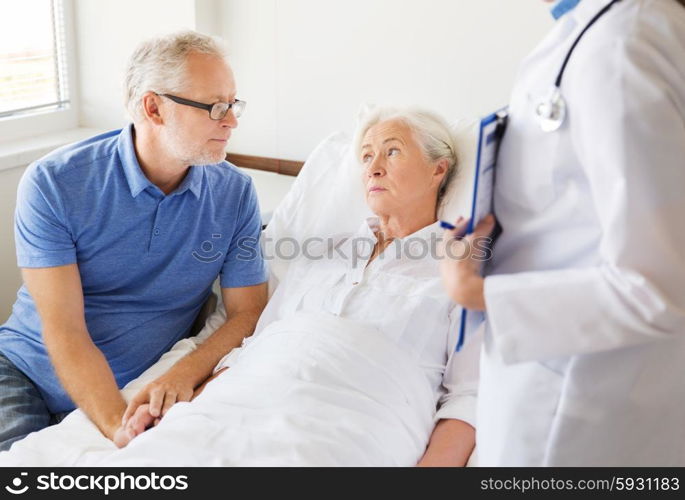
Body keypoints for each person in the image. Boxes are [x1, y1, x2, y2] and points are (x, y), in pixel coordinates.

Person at [80, 107, 481, 467]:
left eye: (392, 152)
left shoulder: (459, 274)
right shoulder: (321, 254)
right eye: (366, 156)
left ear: (438, 170)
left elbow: (468, 398)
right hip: (245, 402)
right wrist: (185, 410)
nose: (373, 167)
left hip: (352, 425)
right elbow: (257, 347)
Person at [440, 0, 685, 465]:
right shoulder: (593, 32)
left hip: (577, 408)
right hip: (559, 382)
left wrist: (475, 291)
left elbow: (660, 285)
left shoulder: (621, 45)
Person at [0, 30, 268, 452]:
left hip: (137, 387)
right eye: (215, 107)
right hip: (24, 375)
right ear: (153, 108)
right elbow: (65, 330)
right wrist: (115, 428)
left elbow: (247, 311)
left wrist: (184, 372)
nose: (231, 120)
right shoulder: (55, 184)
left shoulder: (234, 195)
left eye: (233, 104)